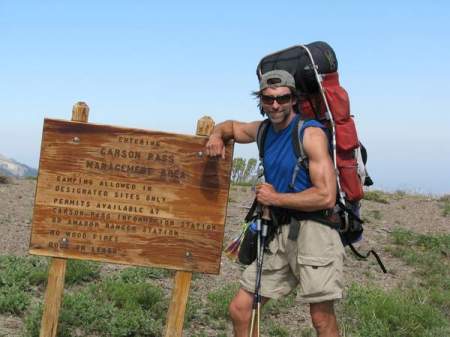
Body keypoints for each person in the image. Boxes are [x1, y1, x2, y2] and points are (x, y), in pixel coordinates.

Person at [205, 69, 345, 337]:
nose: (275, 105)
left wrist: (274, 198)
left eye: (282, 98)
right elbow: (231, 127)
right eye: (268, 99)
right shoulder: (263, 131)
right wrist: (215, 135)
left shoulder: (310, 134)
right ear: (261, 101)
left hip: (316, 232)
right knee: (241, 309)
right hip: (280, 231)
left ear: (293, 99)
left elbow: (325, 196)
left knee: (321, 319)